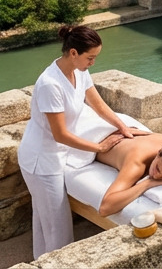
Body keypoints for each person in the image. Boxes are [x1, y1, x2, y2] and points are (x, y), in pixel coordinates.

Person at [17, 25, 139, 257]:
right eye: (90, 57)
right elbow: (60, 134)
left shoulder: (80, 71)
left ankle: (39, 261)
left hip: (57, 153)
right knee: (57, 227)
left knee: (46, 220)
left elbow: (98, 104)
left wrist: (122, 126)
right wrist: (99, 147)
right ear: (73, 53)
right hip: (40, 159)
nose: (93, 62)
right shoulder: (50, 84)